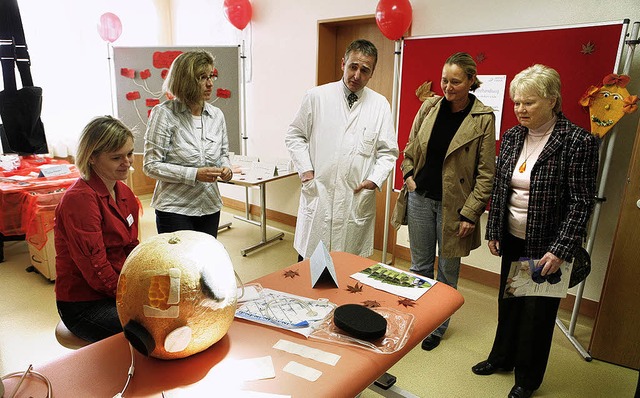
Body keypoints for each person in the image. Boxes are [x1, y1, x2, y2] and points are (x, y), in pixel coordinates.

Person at [472, 64, 599, 398]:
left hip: (547, 245)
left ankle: (527, 380)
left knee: (537, 315)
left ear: (552, 100)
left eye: (529, 102)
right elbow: (502, 188)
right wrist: (495, 228)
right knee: (509, 303)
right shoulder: (514, 136)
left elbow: (581, 203)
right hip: (513, 236)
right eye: (516, 103)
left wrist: (560, 250)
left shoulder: (577, 142)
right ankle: (501, 358)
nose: (520, 109)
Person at [398, 52, 496, 351]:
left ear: (470, 81)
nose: (448, 87)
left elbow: (486, 173)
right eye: (444, 80)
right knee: (419, 267)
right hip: (420, 198)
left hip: (455, 208)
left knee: (447, 272)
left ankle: (437, 326)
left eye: (455, 81)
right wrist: (409, 175)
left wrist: (470, 214)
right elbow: (411, 146)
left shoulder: (483, 118)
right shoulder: (430, 106)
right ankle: (418, 319)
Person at [285, 39, 398, 260]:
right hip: (319, 194)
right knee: (310, 270)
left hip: (354, 200)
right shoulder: (316, 97)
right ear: (343, 63)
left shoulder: (380, 105)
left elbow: (388, 152)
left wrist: (374, 180)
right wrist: (306, 172)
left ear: (372, 73)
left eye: (365, 70)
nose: (357, 75)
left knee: (347, 271)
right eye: (353, 67)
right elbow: (294, 135)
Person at [54, 116, 139, 343]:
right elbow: (97, 270)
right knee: (151, 330)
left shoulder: (123, 192)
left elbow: (132, 247)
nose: (128, 162)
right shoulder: (80, 200)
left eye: (130, 154)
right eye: (116, 157)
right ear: (92, 158)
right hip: (85, 304)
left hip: (116, 288)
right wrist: (131, 297)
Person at [144, 50, 232, 237]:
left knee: (204, 260)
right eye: (202, 77)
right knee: (180, 264)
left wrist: (226, 168)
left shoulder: (217, 115)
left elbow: (224, 153)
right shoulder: (164, 114)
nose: (210, 84)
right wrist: (194, 174)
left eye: (211, 76)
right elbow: (151, 166)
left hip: (209, 205)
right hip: (174, 207)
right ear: (185, 80)